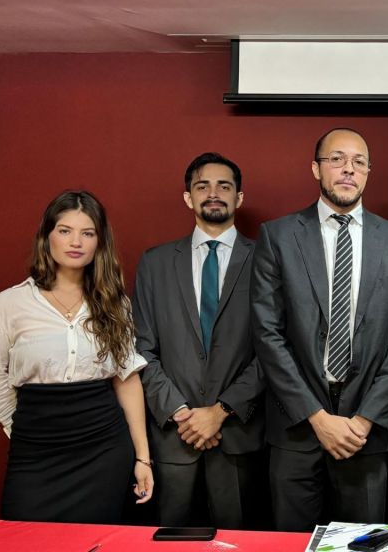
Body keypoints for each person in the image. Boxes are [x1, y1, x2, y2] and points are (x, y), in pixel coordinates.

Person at [252, 127, 388, 531]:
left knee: (362, 542)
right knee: (291, 543)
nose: (349, 169)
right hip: (296, 426)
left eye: (359, 162)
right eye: (337, 159)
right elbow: (267, 332)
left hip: (367, 431)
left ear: (368, 173)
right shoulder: (277, 236)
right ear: (316, 168)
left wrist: (363, 420)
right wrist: (316, 416)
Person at [0, 190, 153, 523]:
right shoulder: (8, 305)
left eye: (88, 233)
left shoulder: (115, 304)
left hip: (104, 450)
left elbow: (126, 378)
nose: (76, 242)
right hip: (36, 452)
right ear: (46, 237)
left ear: (99, 242)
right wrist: (24, 422)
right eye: (65, 230)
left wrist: (143, 458)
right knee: (26, 539)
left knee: (95, 540)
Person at [133, 152, 266, 529]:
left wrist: (220, 411)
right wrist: (183, 414)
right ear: (188, 197)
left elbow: (275, 348)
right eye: (202, 186)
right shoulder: (155, 263)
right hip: (175, 437)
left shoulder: (267, 260)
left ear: (239, 198)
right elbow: (141, 348)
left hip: (240, 435)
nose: (213, 193)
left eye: (224, 186)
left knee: (241, 540)